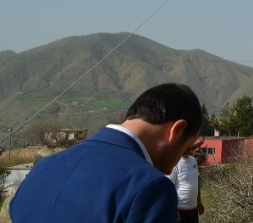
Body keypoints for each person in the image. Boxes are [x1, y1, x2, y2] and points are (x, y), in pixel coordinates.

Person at [10, 83, 203, 223]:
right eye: (185, 148)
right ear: (176, 130)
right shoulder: (150, 188)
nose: (172, 169)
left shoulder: (43, 168)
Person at [170, 148, 204, 222]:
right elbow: (169, 188)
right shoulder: (174, 163)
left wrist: (199, 201)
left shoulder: (193, 161)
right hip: (180, 210)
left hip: (193, 209)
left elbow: (196, 181)